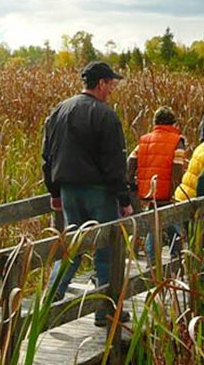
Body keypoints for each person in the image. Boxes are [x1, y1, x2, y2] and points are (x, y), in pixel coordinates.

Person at [40, 61, 134, 327]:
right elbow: (114, 162)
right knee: (104, 249)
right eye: (111, 85)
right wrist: (124, 200)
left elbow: (47, 156)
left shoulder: (60, 110)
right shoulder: (104, 115)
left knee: (72, 247)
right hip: (99, 192)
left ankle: (50, 302)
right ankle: (105, 310)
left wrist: (54, 190)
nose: (112, 91)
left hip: (69, 191)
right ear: (101, 83)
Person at [128, 106, 187, 262]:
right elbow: (177, 169)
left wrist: (133, 183)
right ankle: (177, 262)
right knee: (174, 225)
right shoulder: (177, 141)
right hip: (167, 192)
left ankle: (152, 264)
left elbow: (131, 162)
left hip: (148, 192)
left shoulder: (144, 140)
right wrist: (176, 191)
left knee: (153, 226)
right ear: (173, 123)